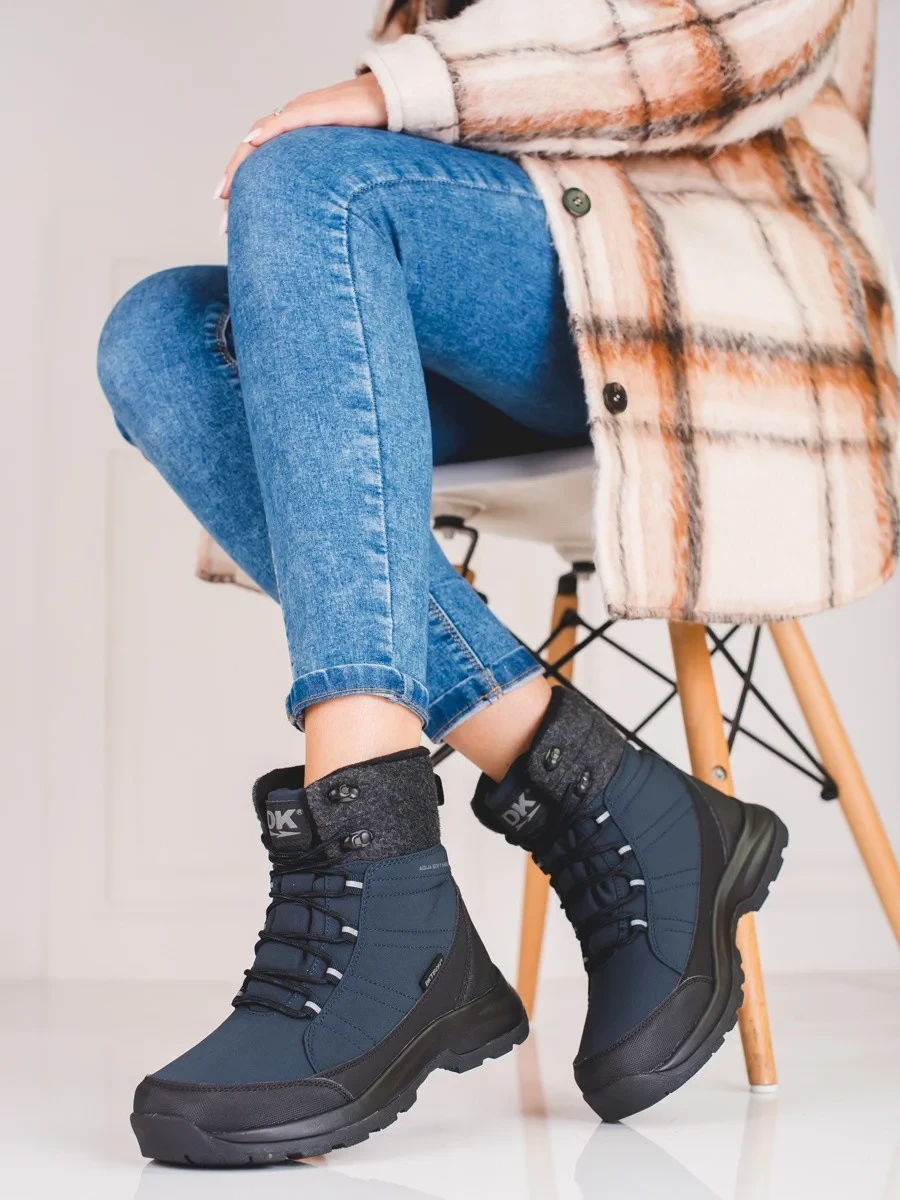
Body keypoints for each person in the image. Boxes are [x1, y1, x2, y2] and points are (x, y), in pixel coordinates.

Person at [97, 0, 891, 1168]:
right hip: (523, 278)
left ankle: (381, 872)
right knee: (161, 336)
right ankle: (599, 795)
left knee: (317, 185)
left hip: (717, 284)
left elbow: (750, 29)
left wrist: (399, 90)